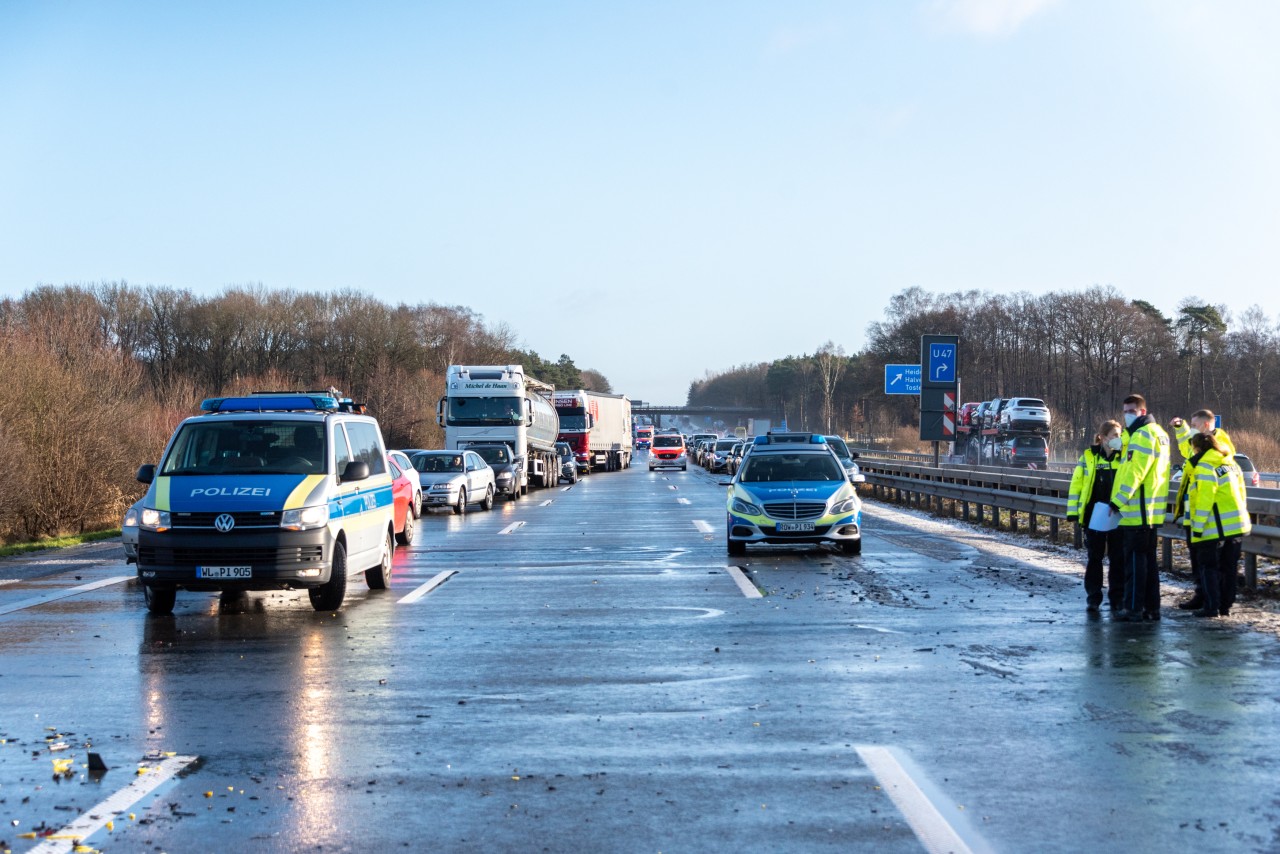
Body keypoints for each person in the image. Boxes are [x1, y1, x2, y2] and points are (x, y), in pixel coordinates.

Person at [1108, 394, 1171, 621]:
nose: (1126, 416)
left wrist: (1118, 501)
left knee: (1135, 564)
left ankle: (1133, 607)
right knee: (1148, 563)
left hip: (1138, 511)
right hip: (1151, 509)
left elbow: (1136, 472)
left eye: (1131, 411)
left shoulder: (1142, 435)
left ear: (1142, 412)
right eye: (1125, 411)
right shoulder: (1159, 433)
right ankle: (1152, 607)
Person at [1169, 409, 1236, 611]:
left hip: (1211, 515)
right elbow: (1185, 449)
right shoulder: (1199, 445)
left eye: (1195, 424)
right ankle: (1203, 595)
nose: (1192, 429)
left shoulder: (1220, 442)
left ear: (1207, 424)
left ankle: (1216, 601)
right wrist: (1180, 429)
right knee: (1198, 559)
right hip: (1195, 509)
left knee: (1214, 562)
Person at [1185, 432, 1251, 618]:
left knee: (1208, 567)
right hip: (1236, 525)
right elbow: (1242, 493)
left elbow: (1205, 500)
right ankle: (1225, 607)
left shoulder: (1205, 467)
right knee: (1229, 568)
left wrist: (1197, 529)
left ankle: (1211, 607)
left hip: (1214, 527)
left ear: (1196, 448)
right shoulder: (1231, 464)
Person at [1067, 420, 1125, 613]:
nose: (1118, 439)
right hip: (1094, 516)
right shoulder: (1089, 457)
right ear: (1102, 437)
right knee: (1095, 558)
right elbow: (1077, 484)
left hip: (1118, 515)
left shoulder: (1123, 458)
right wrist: (1073, 511)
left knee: (1117, 559)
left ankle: (1117, 598)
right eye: (1114, 436)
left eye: (1120, 435)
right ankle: (1094, 597)